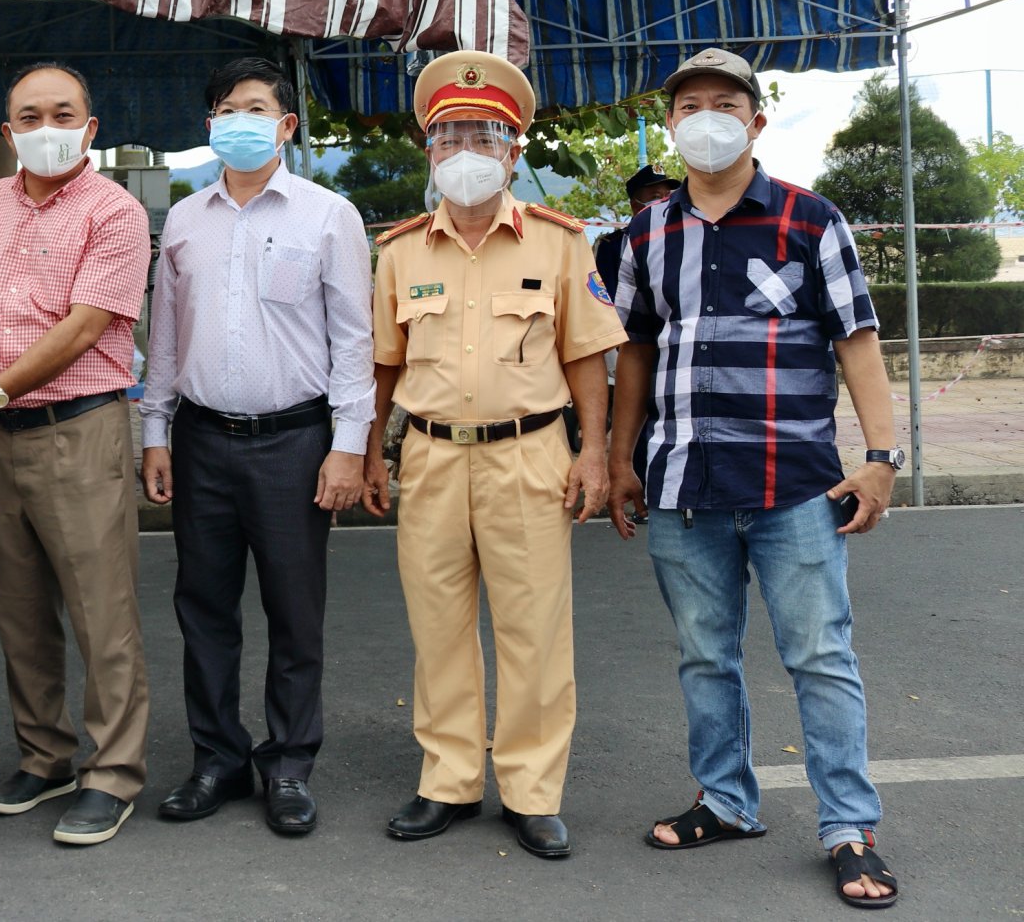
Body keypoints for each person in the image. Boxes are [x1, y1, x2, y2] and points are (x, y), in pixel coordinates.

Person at [606, 47, 902, 909]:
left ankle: (849, 825)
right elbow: (632, 348)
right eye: (688, 104)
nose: (705, 116)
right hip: (682, 487)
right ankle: (727, 800)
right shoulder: (646, 234)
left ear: (756, 121)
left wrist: (880, 459)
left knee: (820, 655)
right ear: (670, 124)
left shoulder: (812, 221)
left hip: (795, 485)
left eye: (724, 103)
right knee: (705, 656)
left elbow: (858, 344)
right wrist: (623, 460)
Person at [370, 49, 624, 860]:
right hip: (434, 459)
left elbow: (587, 354)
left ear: (514, 150)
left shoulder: (558, 242)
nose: (465, 152)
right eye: (449, 137)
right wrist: (373, 453)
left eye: (484, 135)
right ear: (429, 151)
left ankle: (531, 788)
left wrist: (594, 453)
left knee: (534, 630)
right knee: (437, 627)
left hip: (531, 454)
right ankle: (447, 778)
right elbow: (384, 363)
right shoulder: (401, 251)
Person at [0, 61, 152, 848]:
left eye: (63, 113)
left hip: (76, 428)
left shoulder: (115, 212)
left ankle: (112, 773)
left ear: (90, 126)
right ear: (9, 132)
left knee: (100, 610)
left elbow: (85, 327)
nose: (48, 128)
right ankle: (44, 755)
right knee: (18, 607)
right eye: (31, 116)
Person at [139, 57, 374, 837]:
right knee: (203, 609)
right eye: (224, 108)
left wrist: (348, 446)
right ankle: (217, 758)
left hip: (294, 442)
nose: (238, 119)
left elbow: (353, 342)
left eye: (255, 106)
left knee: (294, 611)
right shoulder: (182, 218)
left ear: (285, 125)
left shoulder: (327, 215)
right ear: (209, 126)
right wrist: (155, 429)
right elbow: (165, 337)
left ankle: (289, 764)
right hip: (201, 439)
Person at [592, 164, 677, 299]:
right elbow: (607, 300)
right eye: (656, 197)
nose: (665, 202)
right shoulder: (613, 246)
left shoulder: (680, 239)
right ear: (636, 205)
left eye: (667, 195)